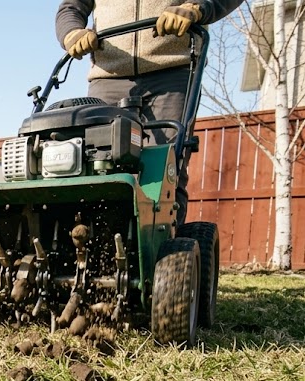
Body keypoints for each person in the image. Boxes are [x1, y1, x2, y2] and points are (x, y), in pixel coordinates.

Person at [55, 1, 244, 225]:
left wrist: (198, 7)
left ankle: (167, 250)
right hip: (108, 75)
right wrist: (71, 33)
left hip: (172, 71)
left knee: (165, 168)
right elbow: (71, 7)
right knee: (97, 166)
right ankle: (104, 244)